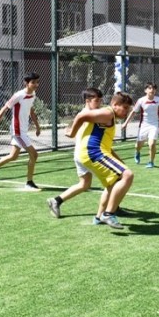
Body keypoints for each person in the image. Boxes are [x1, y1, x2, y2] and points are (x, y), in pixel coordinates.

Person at [64, 91, 134, 229]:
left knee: (113, 183)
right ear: (115, 104)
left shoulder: (110, 116)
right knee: (127, 175)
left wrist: (119, 161)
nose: (127, 111)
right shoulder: (108, 113)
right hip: (92, 152)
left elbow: (106, 145)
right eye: (125, 108)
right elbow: (82, 115)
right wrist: (72, 133)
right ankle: (108, 214)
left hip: (95, 152)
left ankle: (99, 216)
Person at [46, 87, 104, 219]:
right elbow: (73, 131)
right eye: (97, 100)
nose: (100, 102)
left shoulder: (87, 113)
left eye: (101, 99)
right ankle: (111, 210)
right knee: (112, 178)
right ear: (88, 100)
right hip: (88, 155)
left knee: (84, 184)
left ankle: (56, 201)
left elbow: (73, 127)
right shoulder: (88, 115)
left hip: (81, 154)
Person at [0, 73, 42, 191]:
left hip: (23, 130)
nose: (36, 85)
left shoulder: (33, 94)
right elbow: (4, 109)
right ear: (27, 83)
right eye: (33, 82)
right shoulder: (18, 95)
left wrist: (38, 126)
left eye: (37, 82)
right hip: (18, 131)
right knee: (34, 154)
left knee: (13, 156)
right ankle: (29, 183)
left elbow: (31, 110)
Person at [122, 82, 159, 168]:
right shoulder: (141, 100)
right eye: (150, 88)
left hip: (154, 124)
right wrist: (125, 123)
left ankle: (151, 162)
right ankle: (137, 152)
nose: (152, 90)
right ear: (145, 90)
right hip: (143, 125)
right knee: (138, 146)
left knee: (152, 144)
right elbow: (133, 112)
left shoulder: (158, 99)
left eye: (154, 88)